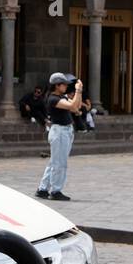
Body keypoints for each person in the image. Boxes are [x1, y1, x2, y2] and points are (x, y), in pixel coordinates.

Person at [34, 73, 83, 201]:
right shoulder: (53, 98)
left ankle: (43, 189)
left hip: (64, 131)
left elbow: (76, 107)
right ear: (57, 85)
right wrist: (77, 90)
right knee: (59, 163)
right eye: (64, 84)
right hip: (60, 132)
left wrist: (80, 91)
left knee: (54, 162)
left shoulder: (60, 97)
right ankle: (55, 190)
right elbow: (73, 106)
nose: (66, 86)